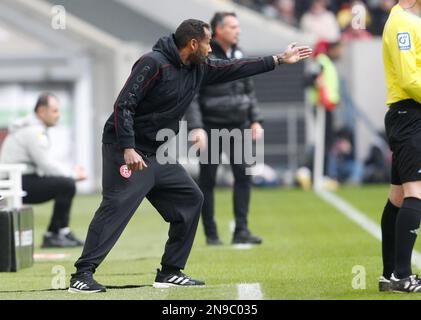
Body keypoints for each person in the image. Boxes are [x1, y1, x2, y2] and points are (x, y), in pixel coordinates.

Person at [68, 19, 312, 293]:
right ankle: (82, 275)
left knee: (191, 198)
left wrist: (278, 59)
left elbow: (234, 68)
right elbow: (124, 105)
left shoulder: (199, 67)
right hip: (126, 149)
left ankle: (170, 271)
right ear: (193, 43)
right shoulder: (152, 63)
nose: (211, 49)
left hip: (157, 152)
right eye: (208, 43)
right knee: (116, 207)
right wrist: (128, 147)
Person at [185, 12, 263, 246]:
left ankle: (242, 229)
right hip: (211, 127)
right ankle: (211, 233)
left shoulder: (240, 54)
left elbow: (249, 91)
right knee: (208, 181)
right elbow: (193, 96)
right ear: (218, 30)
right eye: (232, 26)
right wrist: (197, 127)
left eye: (238, 26)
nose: (237, 31)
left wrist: (255, 120)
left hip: (239, 126)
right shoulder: (204, 56)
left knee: (243, 176)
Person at [0, 93, 86, 248]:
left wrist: (69, 171)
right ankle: (56, 234)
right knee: (66, 184)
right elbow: (46, 164)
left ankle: (60, 231)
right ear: (41, 111)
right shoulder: (34, 131)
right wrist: (73, 174)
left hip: (18, 179)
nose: (58, 115)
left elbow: (46, 163)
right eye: (54, 111)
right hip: (16, 181)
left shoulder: (31, 128)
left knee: (65, 183)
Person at [380, 0, 421, 293]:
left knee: (397, 197)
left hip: (406, 115)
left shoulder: (406, 20)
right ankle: (402, 276)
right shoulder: (402, 23)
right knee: (416, 193)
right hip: (409, 114)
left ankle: (390, 274)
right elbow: (409, 79)